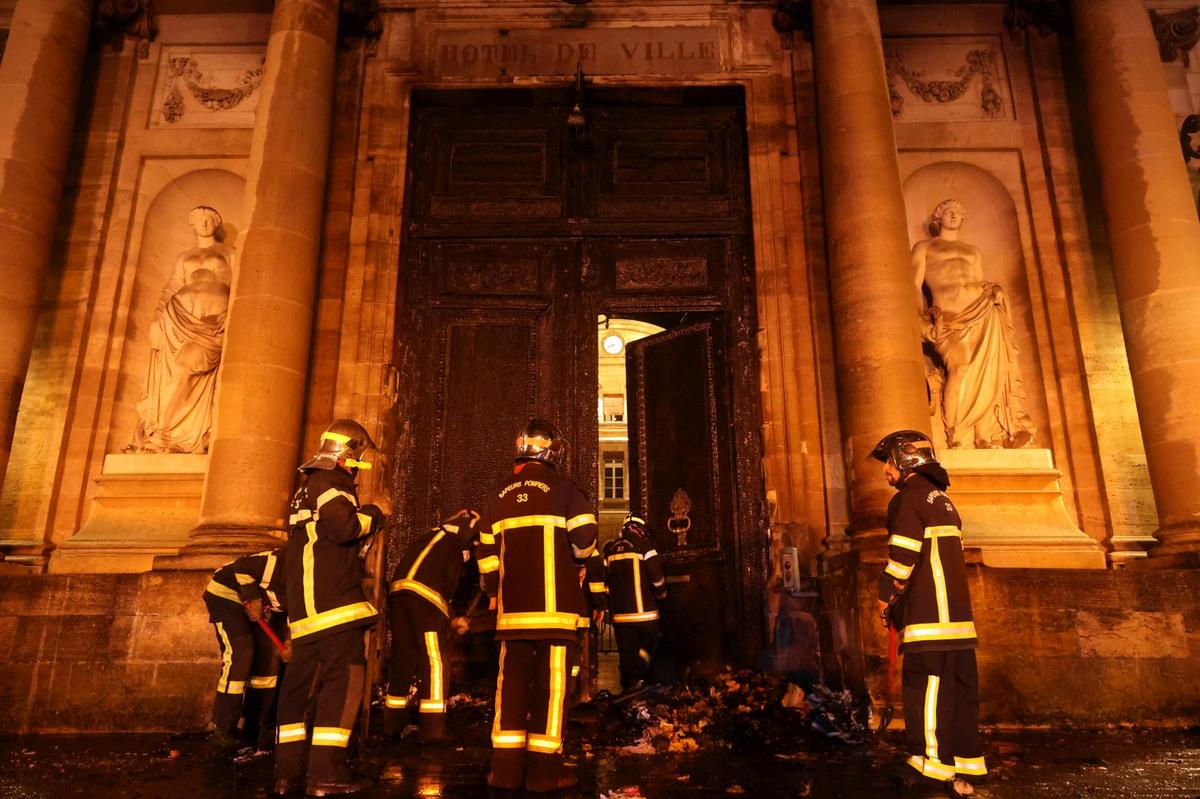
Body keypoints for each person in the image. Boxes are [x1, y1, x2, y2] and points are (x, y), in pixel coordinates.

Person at [476, 418, 598, 794]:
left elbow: (486, 560)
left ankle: (505, 772)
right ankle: (544, 775)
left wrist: (495, 589)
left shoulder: (496, 494)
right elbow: (585, 543)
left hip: (511, 617)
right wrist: (575, 560)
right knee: (550, 690)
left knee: (510, 689)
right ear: (553, 452)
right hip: (555, 615)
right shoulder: (564, 490)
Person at [273, 419, 385, 797]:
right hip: (336, 608)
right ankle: (325, 775)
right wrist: (376, 512)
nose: (357, 469)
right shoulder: (331, 484)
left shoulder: (304, 490)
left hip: (305, 616)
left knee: (297, 692)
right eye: (357, 460)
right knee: (343, 685)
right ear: (346, 454)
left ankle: (287, 772)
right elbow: (344, 528)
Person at [872, 429, 986, 797]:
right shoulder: (944, 501)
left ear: (905, 461)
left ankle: (932, 768)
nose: (885, 471)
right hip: (957, 621)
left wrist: (885, 595)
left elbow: (904, 555)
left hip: (930, 619)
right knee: (959, 692)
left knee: (929, 690)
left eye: (888, 461)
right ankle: (966, 769)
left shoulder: (909, 499)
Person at [912, 199, 1035, 449]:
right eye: (949, 212)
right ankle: (955, 432)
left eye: (959, 212)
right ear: (938, 218)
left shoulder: (972, 251)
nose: (954, 215)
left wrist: (994, 289)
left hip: (982, 311)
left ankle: (982, 436)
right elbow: (913, 285)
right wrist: (919, 317)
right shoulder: (925, 247)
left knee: (990, 373)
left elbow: (979, 282)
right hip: (949, 318)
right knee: (961, 368)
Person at [131, 205, 234, 453]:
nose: (205, 223)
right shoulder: (184, 257)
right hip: (176, 319)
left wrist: (233, 315)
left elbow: (241, 284)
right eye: (200, 219)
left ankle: (165, 432)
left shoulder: (230, 252)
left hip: (210, 325)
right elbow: (171, 287)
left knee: (185, 367)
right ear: (193, 225)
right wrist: (157, 320)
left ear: (216, 223)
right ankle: (163, 432)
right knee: (174, 373)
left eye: (209, 219)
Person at [385, 508, 480, 741]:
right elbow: (452, 583)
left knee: (402, 657)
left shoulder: (432, 536)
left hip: (398, 593)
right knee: (435, 659)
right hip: (426, 597)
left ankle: (392, 725)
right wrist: (457, 618)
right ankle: (432, 728)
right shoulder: (457, 541)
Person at [203, 547, 288, 750]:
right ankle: (224, 726)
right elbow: (242, 566)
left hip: (266, 607)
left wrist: (289, 642)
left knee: (269, 660)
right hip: (227, 595)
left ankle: (256, 724)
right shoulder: (281, 561)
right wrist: (254, 599)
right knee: (242, 652)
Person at [602, 513, 667, 692]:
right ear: (639, 529)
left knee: (626, 652)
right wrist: (661, 594)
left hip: (620, 617)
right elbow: (656, 577)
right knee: (652, 640)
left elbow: (605, 584)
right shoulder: (644, 546)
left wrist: (610, 607)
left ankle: (627, 688)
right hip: (644, 614)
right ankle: (639, 673)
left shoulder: (611, 550)